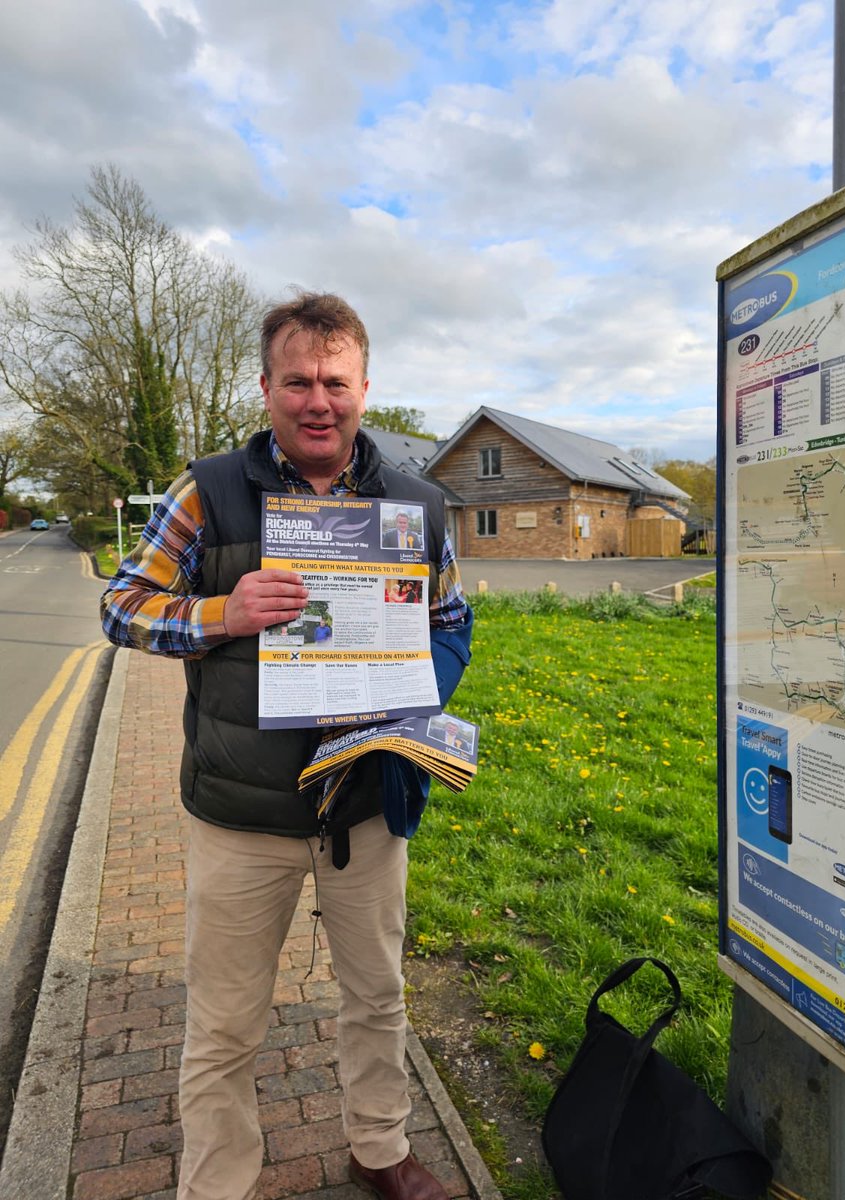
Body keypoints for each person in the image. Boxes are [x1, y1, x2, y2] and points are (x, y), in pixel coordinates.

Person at [100, 292, 473, 1200]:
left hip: (367, 805)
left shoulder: (417, 506)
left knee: (378, 998)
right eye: (298, 381)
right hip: (242, 816)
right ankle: (217, 1182)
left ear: (364, 388)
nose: (318, 400)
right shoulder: (212, 489)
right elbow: (121, 606)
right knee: (226, 1023)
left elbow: (452, 622)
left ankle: (379, 1150)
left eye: (335, 382)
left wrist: (410, 693)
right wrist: (223, 613)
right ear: (266, 387)